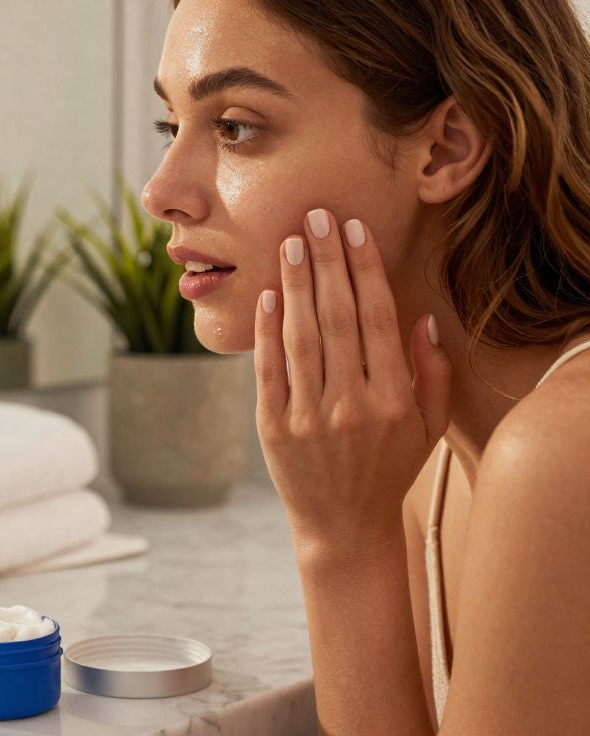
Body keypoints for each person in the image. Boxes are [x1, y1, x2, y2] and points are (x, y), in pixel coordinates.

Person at [143, 0, 590, 732]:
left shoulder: (563, 453)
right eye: (172, 127)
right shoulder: (430, 452)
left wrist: (341, 546)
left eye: (236, 128)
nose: (161, 193)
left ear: (445, 149)